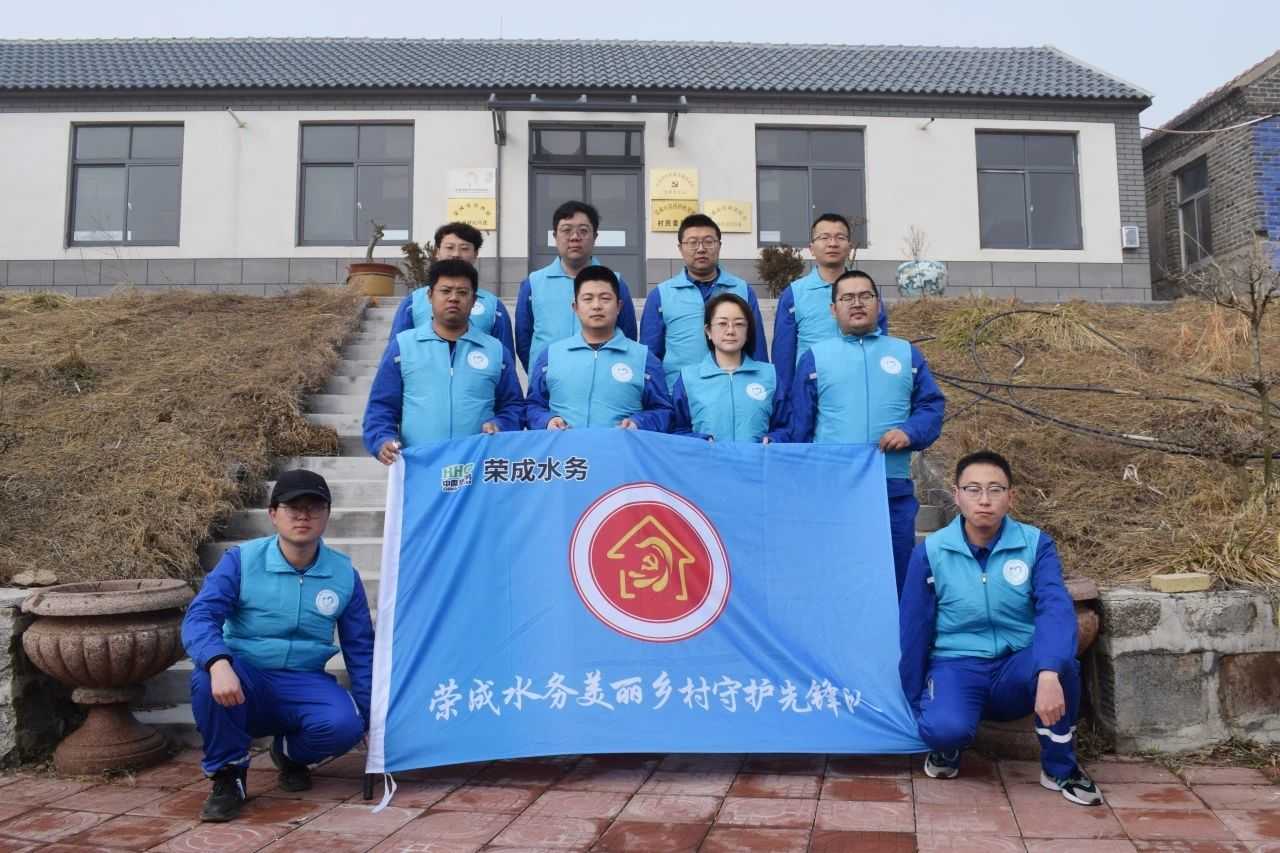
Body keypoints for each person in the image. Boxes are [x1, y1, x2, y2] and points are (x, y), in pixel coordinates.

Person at [899, 450, 1102, 806]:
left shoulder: (1035, 544)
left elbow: (1054, 607)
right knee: (944, 729)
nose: (984, 500)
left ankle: (1061, 768)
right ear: (956, 494)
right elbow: (914, 628)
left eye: (995, 489)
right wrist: (916, 700)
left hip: (1017, 665)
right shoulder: (931, 552)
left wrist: (1048, 671)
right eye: (973, 489)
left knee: (1064, 666)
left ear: (1011, 497)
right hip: (957, 665)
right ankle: (947, 747)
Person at [181, 469, 373, 822]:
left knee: (345, 724)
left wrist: (370, 715)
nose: (303, 516)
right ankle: (228, 776)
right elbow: (200, 616)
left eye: (314, 507)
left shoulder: (344, 575)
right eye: (292, 507)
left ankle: (289, 754)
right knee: (207, 679)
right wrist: (218, 662)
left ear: (327, 514)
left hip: (304, 680)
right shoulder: (241, 561)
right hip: (246, 675)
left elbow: (360, 649)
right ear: (273, 514)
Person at [786, 270, 944, 594]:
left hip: (891, 490)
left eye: (865, 296)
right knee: (835, 577)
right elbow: (798, 429)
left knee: (896, 578)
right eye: (847, 298)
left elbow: (931, 406)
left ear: (878, 304)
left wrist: (910, 432)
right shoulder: (815, 359)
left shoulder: (906, 354)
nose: (856, 304)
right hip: (833, 491)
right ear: (833, 309)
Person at [363, 259, 524, 464]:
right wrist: (382, 439)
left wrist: (501, 425)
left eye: (462, 292)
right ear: (430, 296)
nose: (453, 298)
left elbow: (513, 406)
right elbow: (381, 406)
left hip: (478, 466)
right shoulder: (403, 347)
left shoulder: (496, 351)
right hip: (420, 466)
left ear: (474, 300)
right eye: (445, 291)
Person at [525, 265, 672, 432]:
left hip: (621, 448)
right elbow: (532, 406)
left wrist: (638, 423)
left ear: (619, 306)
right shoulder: (551, 356)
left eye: (605, 298)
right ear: (575, 307)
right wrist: (548, 421)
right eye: (588, 299)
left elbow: (663, 411)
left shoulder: (643, 358)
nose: (596, 306)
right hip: (565, 448)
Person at [641, 213, 768, 391]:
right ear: (680, 248)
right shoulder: (661, 295)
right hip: (680, 394)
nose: (701, 249)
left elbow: (757, 348)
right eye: (692, 242)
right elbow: (650, 356)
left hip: (732, 391)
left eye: (708, 242)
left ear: (719, 245)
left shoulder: (742, 290)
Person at [772, 213, 888, 398]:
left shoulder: (866, 291)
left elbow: (881, 342)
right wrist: (785, 399)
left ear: (849, 247)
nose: (832, 243)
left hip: (860, 387)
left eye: (840, 237)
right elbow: (783, 354)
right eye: (824, 237)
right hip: (810, 391)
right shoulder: (794, 294)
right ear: (811, 248)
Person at [515, 201, 639, 372]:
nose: (574, 237)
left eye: (583, 231)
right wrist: (538, 372)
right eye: (566, 230)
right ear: (555, 236)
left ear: (595, 237)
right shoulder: (533, 283)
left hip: (601, 377)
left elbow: (628, 335)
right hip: (549, 379)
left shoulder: (615, 283)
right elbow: (523, 339)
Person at [671, 293, 787, 443]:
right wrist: (700, 441)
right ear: (708, 331)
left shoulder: (769, 376)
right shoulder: (689, 379)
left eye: (739, 324)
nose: (730, 331)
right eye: (722, 323)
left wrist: (774, 439)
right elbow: (676, 431)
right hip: (706, 458)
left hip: (756, 458)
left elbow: (786, 427)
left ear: (748, 331)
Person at [386, 221, 515, 354]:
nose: (456, 254)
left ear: (476, 253)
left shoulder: (493, 306)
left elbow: (504, 355)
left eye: (464, 248)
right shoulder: (413, 302)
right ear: (437, 251)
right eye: (449, 247)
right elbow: (397, 350)